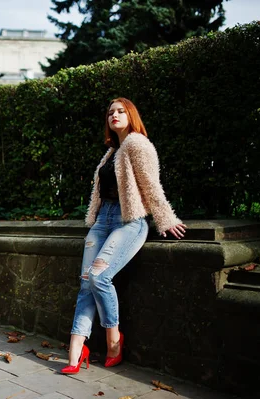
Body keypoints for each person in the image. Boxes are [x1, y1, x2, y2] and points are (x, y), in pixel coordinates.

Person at [60, 97, 187, 374]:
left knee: (98, 276)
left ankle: (113, 340)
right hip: (102, 221)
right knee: (85, 283)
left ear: (131, 115)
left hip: (128, 221)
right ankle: (76, 350)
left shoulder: (137, 144)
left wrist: (165, 219)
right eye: (110, 113)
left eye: (120, 111)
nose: (114, 115)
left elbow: (151, 185)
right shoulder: (111, 151)